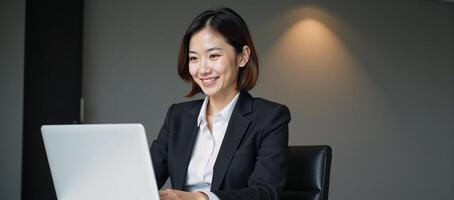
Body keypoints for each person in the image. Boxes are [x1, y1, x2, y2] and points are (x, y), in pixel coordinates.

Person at [150, 7, 291, 200]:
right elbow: (144, 179)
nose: (203, 69)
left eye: (214, 56)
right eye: (193, 58)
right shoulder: (177, 116)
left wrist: (200, 198)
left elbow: (266, 192)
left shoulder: (270, 117)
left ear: (242, 57)